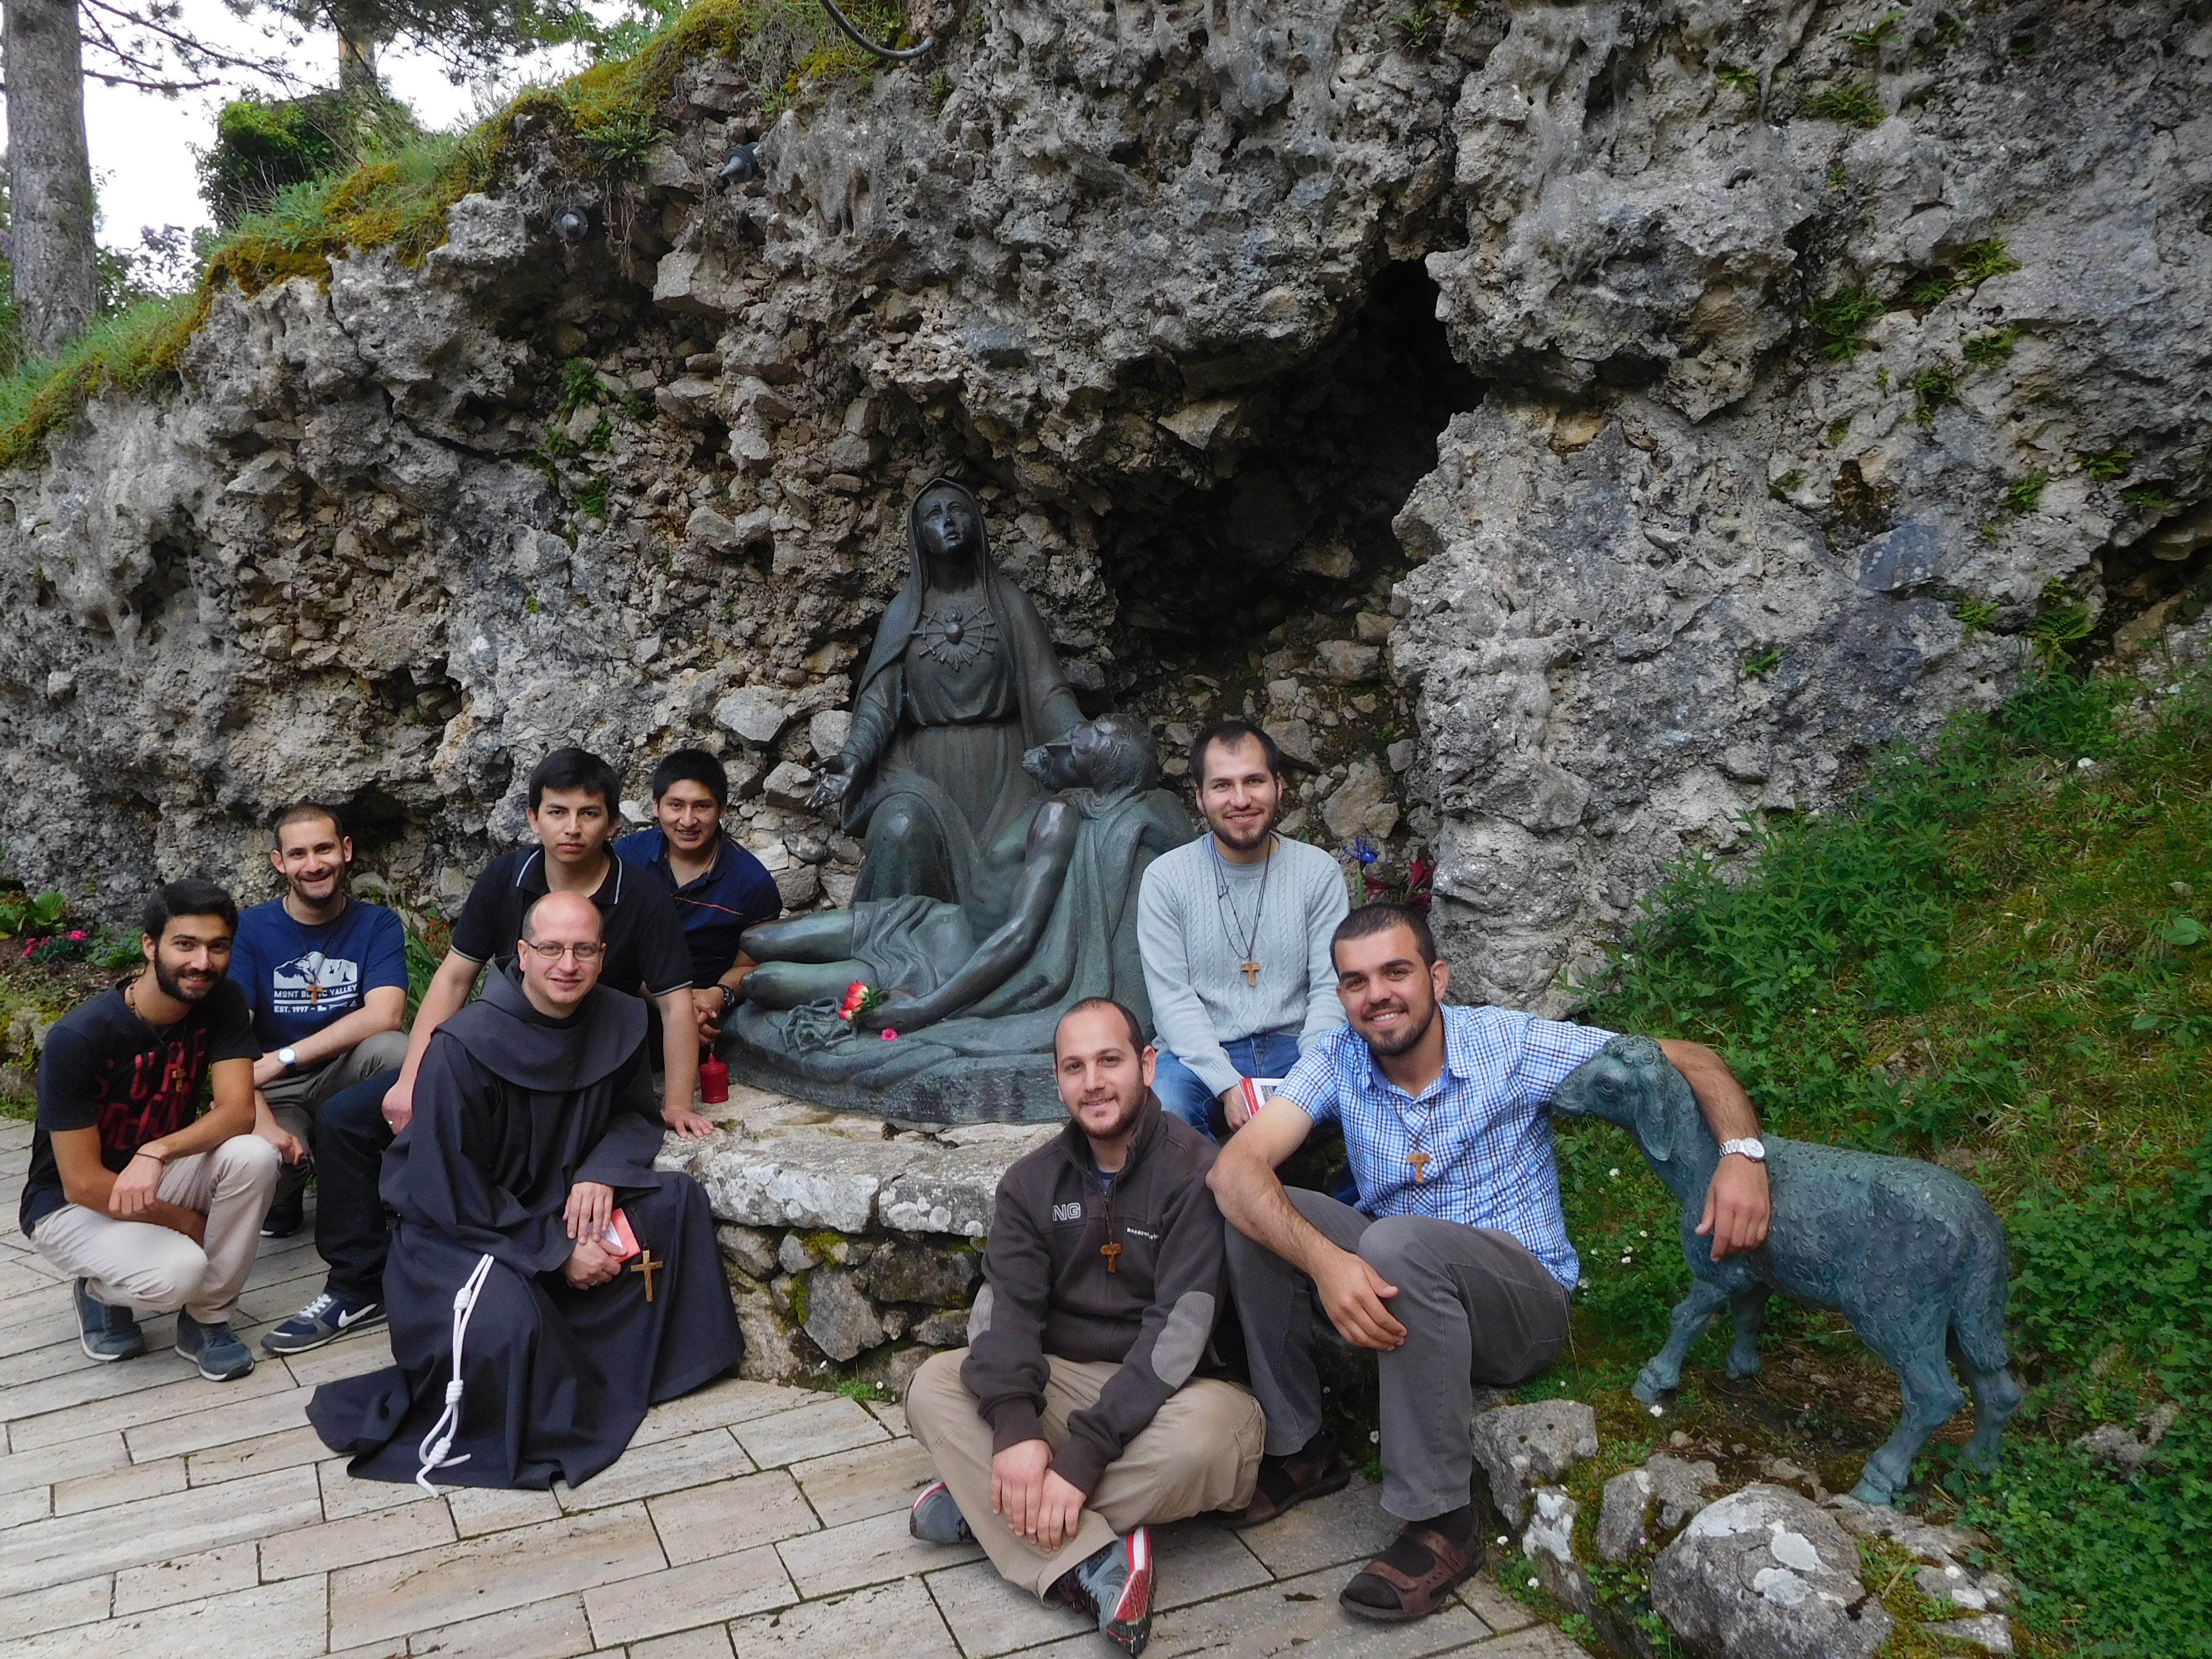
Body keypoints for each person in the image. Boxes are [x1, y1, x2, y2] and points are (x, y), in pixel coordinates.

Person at [1208, 903, 1774, 1622]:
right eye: (1355, 981)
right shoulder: (1339, 1057)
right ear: (1342, 995)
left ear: (1437, 978)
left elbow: (1685, 1057)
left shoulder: (1508, 1042)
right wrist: (1323, 1261)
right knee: (1256, 1211)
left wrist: (1742, 1155)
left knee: (1394, 1240)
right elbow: (1236, 1170)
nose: (1376, 994)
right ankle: (1302, 1449)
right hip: (1408, 1274)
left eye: (1396, 972)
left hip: (1522, 1302)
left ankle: (1443, 1521)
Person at [306, 890, 745, 1489]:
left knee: (674, 1206)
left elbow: (632, 1116)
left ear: (602, 954)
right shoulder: (462, 1047)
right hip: (460, 1231)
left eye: (584, 949)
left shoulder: (619, 1018)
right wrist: (558, 1251)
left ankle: (648, 1373)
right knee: (506, 1329)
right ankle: (561, 1363)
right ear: (521, 953)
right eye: (552, 948)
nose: (568, 964)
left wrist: (602, 1173)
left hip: (560, 1199)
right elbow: (449, 1188)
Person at [903, 998, 1263, 1656]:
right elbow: (1004, 1312)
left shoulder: (1198, 1172)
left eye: (1109, 1061)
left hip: (1179, 1394)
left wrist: (1081, 1462)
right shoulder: (1028, 1183)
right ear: (1058, 1082)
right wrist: (1014, 1429)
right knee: (933, 1383)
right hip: (1067, 1386)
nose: (1093, 1082)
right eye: (1075, 1067)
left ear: (1146, 1066)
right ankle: (1092, 1558)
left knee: (1216, 1441)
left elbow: (1177, 1337)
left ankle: (994, 1507)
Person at [20, 879, 277, 1382]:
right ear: (149, 945)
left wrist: (158, 1151)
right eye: (186, 944)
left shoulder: (222, 1002)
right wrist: (184, 1221)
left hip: (155, 1172)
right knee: (181, 1270)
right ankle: (97, 1289)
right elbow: (82, 1183)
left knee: (254, 1155)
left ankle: (208, 1319)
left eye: (217, 946)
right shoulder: (79, 1038)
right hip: (69, 1207)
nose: (202, 962)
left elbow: (237, 1113)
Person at [386, 746, 709, 1139]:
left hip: (593, 1058)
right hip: (502, 1046)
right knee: (348, 1121)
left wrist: (677, 1105)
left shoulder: (643, 896)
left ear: (612, 825)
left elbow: (676, 1005)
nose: (572, 828)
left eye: (589, 813)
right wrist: (411, 1079)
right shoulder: (504, 878)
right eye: (557, 812)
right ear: (534, 820)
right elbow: (454, 979)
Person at [810, 478, 1084, 904]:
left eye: (958, 510)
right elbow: (879, 704)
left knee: (1024, 860)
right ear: (918, 534)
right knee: (899, 829)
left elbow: (1047, 690)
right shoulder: (905, 612)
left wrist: (1083, 740)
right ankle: (889, 951)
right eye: (934, 515)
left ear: (975, 522)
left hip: (1007, 770)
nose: (948, 522)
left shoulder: (1009, 604)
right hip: (926, 770)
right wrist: (854, 757)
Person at [1138, 720, 1349, 1141]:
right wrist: (1226, 1083)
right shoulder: (1166, 879)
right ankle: (1208, 1205)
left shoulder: (1316, 871)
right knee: (1166, 1104)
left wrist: (1309, 1076)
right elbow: (1172, 999)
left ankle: (1348, 1209)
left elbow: (1332, 986)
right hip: (1198, 1052)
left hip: (1299, 1045)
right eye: (1222, 786)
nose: (1241, 799)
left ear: (1278, 787)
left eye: (1254, 781)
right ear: (1200, 797)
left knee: (1371, 1090)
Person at [230, 803, 409, 1246]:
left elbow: (385, 1013)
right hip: (273, 1092)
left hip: (340, 1076)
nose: (314, 865)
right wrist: (263, 1120)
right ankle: (286, 1190)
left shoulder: (376, 923)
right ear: (280, 862)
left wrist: (284, 1057)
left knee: (396, 1050)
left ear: (346, 850)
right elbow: (229, 1035)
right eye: (298, 854)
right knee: (268, 1163)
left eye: (324, 849)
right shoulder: (248, 930)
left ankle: (381, 1184)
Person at [611, 747, 781, 1044]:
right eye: (676, 805)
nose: (687, 821)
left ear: (723, 809)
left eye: (701, 807)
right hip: (633, 994)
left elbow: (750, 965)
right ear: (656, 806)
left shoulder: (752, 883)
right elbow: (610, 944)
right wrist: (674, 1006)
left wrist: (716, 998)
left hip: (709, 1013)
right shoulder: (626, 859)